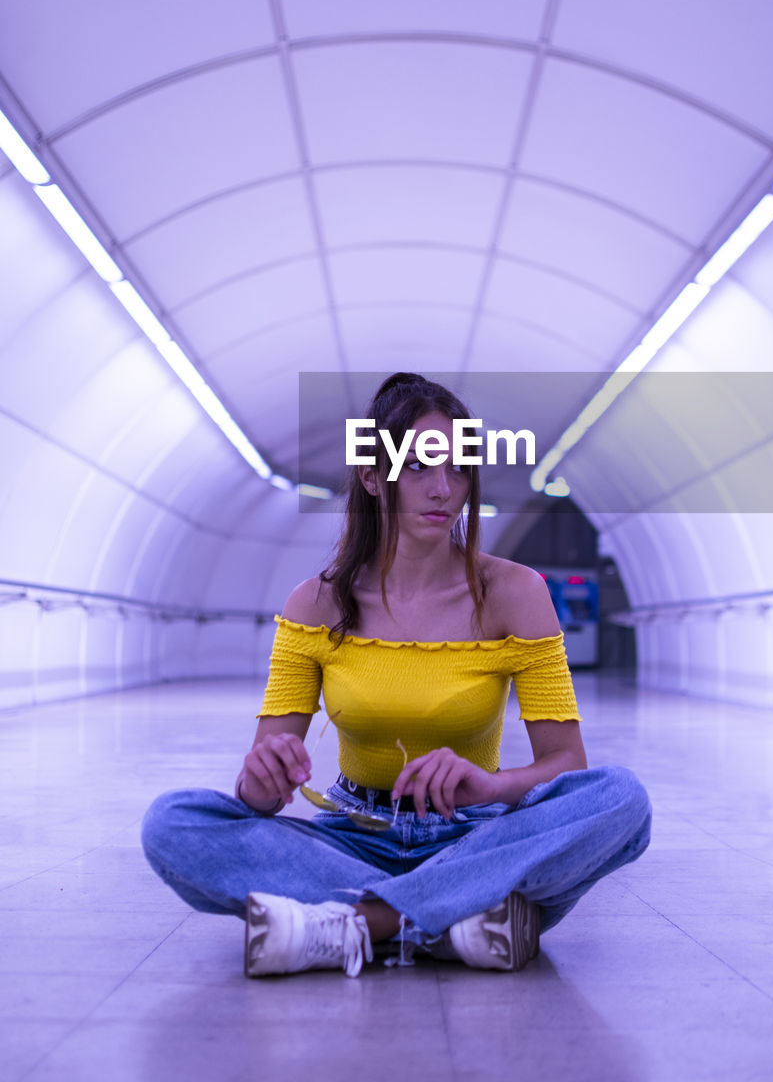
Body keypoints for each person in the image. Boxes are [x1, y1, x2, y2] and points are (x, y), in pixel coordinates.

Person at [141, 372, 651, 978]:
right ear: (371, 476)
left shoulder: (517, 593)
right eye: (419, 467)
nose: (443, 489)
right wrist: (259, 783)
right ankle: (460, 920)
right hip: (354, 834)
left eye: (459, 469)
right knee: (174, 822)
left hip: (473, 835)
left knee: (622, 798)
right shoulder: (314, 604)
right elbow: (263, 792)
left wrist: (487, 787)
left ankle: (362, 924)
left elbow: (568, 765)